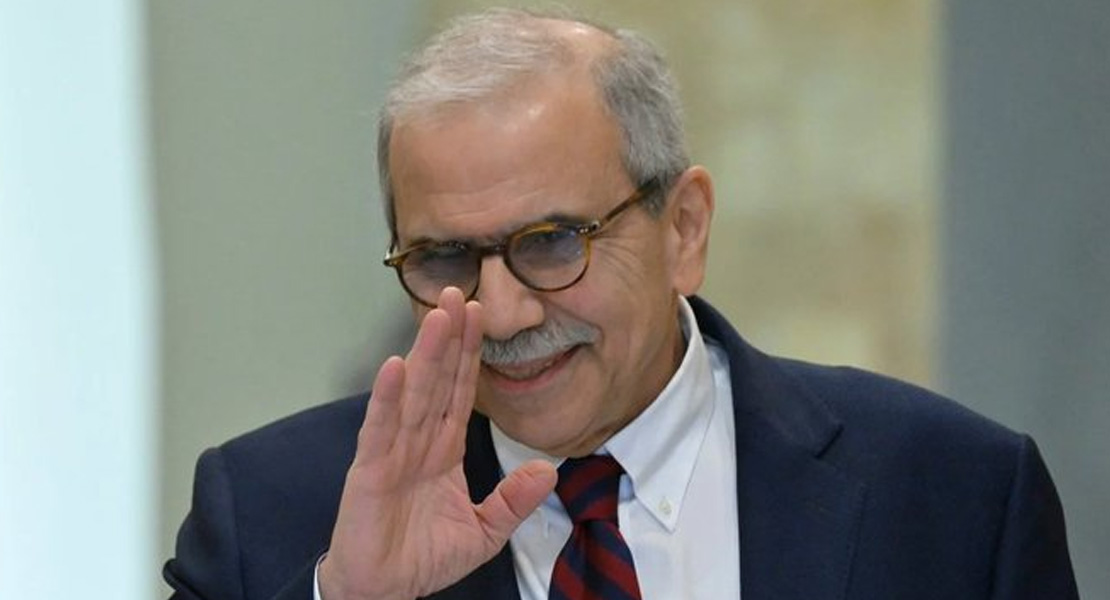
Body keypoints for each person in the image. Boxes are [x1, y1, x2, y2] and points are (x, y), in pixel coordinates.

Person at [164, 8, 1078, 600]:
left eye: (552, 242)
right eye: (445, 258)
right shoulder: (274, 513)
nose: (503, 314)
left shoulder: (953, 495)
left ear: (684, 228)